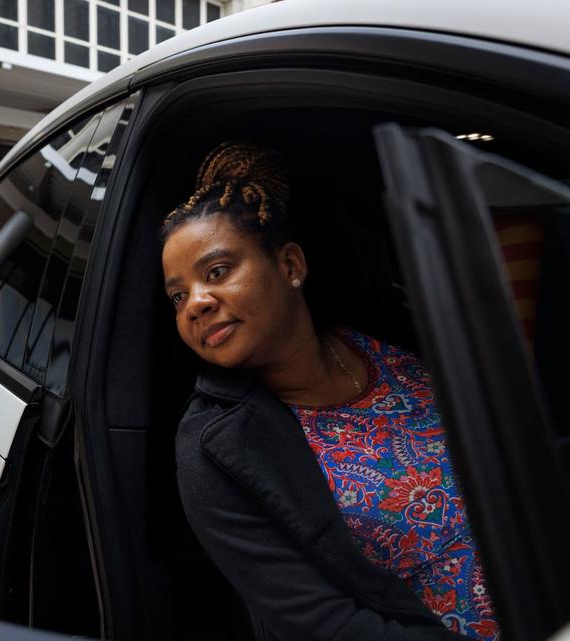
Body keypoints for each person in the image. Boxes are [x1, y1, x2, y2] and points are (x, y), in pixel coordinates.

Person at [162, 143, 500, 641]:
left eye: (217, 272)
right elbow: (326, 626)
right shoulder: (216, 451)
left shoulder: (387, 342)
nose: (196, 304)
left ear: (290, 264)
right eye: (177, 295)